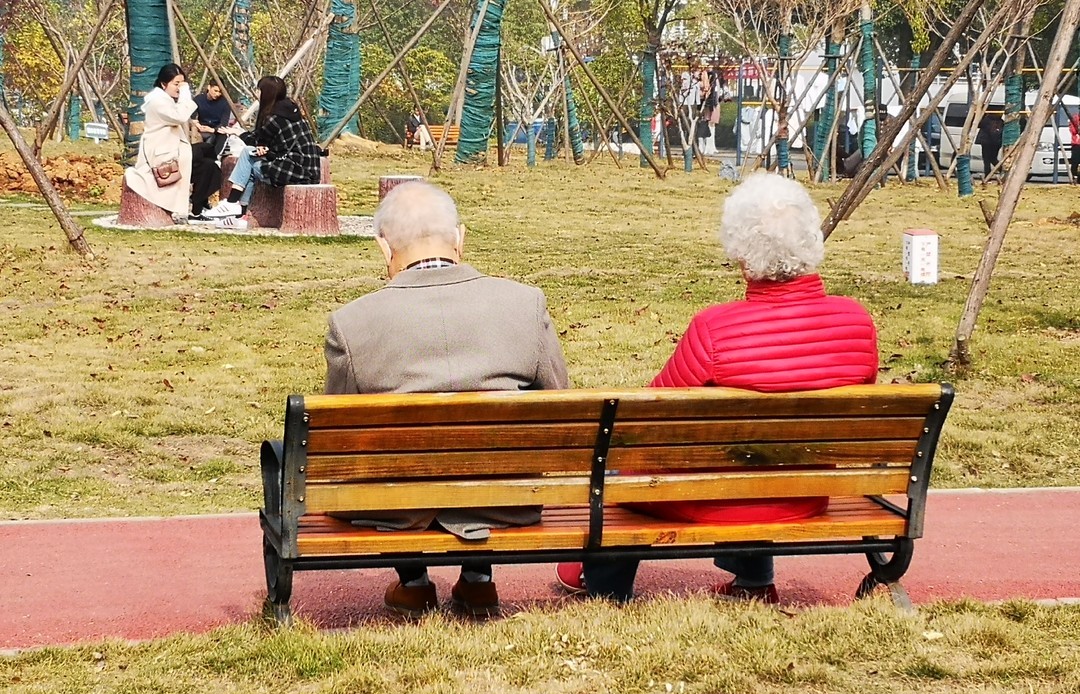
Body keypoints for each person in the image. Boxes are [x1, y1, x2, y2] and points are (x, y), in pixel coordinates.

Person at [555, 172, 878, 604]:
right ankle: (754, 580)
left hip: (718, 499)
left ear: (742, 255)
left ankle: (605, 583)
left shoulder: (716, 329)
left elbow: (647, 418)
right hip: (805, 493)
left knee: (619, 466)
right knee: (754, 459)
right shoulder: (856, 323)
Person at [323, 180, 570, 618]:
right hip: (505, 499)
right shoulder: (525, 304)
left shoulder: (351, 323)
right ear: (460, 237)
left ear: (384, 248)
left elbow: (340, 440)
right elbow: (560, 407)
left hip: (396, 506)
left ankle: (414, 583)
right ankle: (478, 581)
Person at [200, 75, 321, 228]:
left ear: (267, 93)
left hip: (297, 171)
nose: (257, 94)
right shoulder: (290, 110)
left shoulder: (274, 118)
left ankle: (234, 206)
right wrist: (264, 149)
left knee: (248, 156)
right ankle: (238, 214)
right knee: (249, 154)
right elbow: (273, 145)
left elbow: (258, 141)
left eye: (259, 90)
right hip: (308, 169)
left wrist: (238, 133)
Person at [123, 63, 197, 224]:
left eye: (182, 83)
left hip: (168, 149)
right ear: (164, 84)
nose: (180, 88)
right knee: (164, 182)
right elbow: (180, 116)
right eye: (176, 84)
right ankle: (176, 212)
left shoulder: (165, 99)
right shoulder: (157, 102)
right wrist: (185, 93)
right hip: (161, 150)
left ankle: (179, 211)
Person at [189, 79, 239, 218]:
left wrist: (212, 130)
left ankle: (215, 158)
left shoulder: (224, 103)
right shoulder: (199, 99)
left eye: (220, 92)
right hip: (200, 131)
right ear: (209, 88)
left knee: (213, 155)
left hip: (216, 132)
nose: (217, 94)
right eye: (215, 90)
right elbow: (191, 116)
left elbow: (223, 125)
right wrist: (198, 126)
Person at [975, 113, 1003, 177]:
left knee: (986, 160)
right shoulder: (1001, 121)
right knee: (993, 158)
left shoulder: (986, 120)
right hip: (996, 143)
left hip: (986, 142)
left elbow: (979, 124)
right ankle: (1001, 169)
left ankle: (987, 175)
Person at [1069, 109, 1080, 181]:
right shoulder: (1075, 118)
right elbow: (1072, 130)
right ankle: (1074, 176)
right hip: (1077, 143)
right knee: (1075, 161)